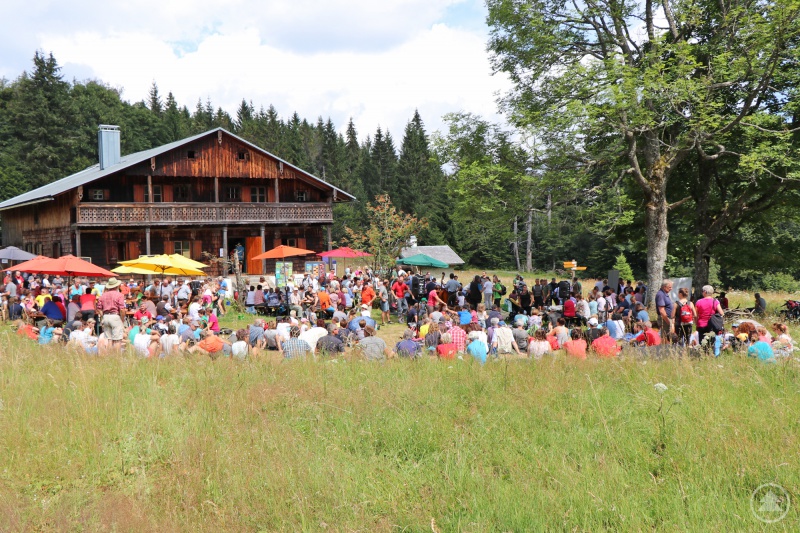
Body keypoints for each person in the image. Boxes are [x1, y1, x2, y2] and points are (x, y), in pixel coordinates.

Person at [96, 277, 126, 351]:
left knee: (109, 339)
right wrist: (122, 319)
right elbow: (122, 309)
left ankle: (109, 356)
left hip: (106, 316)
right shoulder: (119, 295)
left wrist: (103, 316)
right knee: (117, 340)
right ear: (116, 286)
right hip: (115, 316)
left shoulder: (103, 295)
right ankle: (116, 357)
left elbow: (99, 308)